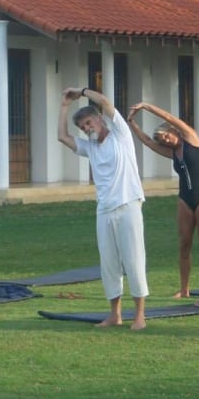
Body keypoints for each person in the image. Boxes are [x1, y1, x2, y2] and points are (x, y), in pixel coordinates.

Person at [58, 86, 149, 330]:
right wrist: (64, 106)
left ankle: (140, 315)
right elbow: (63, 137)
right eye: (83, 127)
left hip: (128, 205)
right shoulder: (91, 147)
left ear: (99, 120)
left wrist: (83, 91)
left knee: (133, 260)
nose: (87, 128)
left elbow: (106, 102)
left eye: (89, 122)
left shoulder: (121, 135)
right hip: (104, 210)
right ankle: (115, 314)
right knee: (109, 263)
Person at [127, 101, 199, 298]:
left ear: (174, 131)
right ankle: (184, 289)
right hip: (185, 198)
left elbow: (169, 117)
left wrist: (146, 106)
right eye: (162, 139)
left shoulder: (192, 139)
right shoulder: (173, 153)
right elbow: (148, 143)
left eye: (166, 135)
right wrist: (132, 123)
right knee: (184, 243)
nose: (165, 139)